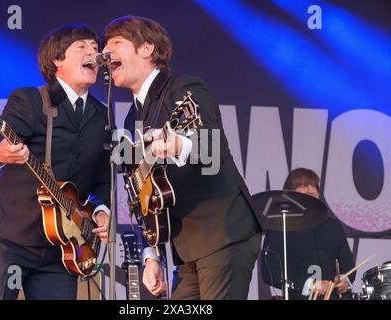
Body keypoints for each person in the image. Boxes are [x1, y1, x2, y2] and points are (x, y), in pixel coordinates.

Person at [102, 15, 262, 300]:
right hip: (185, 247)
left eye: (116, 43)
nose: (106, 52)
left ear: (147, 49)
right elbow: (141, 196)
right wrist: (152, 255)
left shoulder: (183, 87)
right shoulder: (131, 118)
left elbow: (213, 148)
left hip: (221, 231)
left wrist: (179, 146)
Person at [0, 24, 110, 300]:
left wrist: (100, 210)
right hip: (9, 235)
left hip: (62, 247)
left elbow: (103, 177)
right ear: (57, 60)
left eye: (95, 48)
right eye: (82, 47)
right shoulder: (31, 100)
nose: (93, 53)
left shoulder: (103, 115)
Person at [261, 168, 355, 300]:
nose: (310, 189)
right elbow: (270, 272)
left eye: (314, 185)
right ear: (290, 193)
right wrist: (310, 285)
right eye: (303, 185)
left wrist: (345, 280)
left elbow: (348, 265)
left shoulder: (332, 225)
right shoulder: (280, 226)